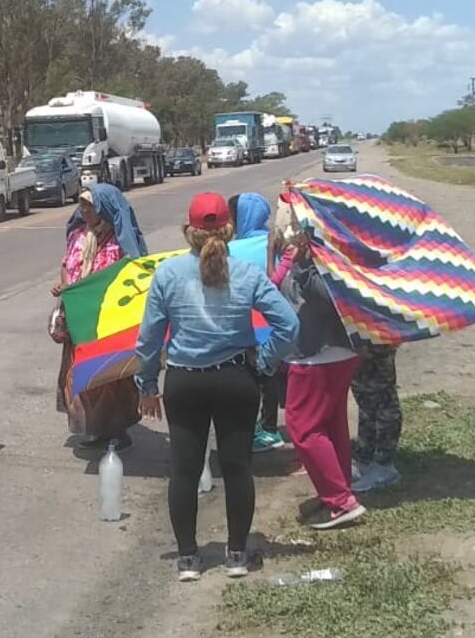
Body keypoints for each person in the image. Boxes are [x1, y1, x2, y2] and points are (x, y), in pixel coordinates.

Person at [133, 193, 299, 582]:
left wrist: (145, 383)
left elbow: (148, 339)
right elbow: (289, 325)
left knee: (185, 470)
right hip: (235, 380)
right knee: (238, 468)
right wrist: (264, 360)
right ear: (230, 230)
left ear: (187, 232)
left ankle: (188, 559)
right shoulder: (248, 273)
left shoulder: (168, 274)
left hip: (184, 382)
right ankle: (237, 555)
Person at [278, 233, 367, 530]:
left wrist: (304, 264)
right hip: (333, 352)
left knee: (303, 427)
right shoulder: (333, 255)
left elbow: (328, 297)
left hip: (320, 355)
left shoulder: (325, 262)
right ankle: (337, 492)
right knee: (331, 425)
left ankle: (341, 500)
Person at [53, 184, 148, 452]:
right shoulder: (77, 236)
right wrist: (66, 289)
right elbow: (65, 266)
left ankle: (118, 430)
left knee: (111, 375)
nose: (83, 210)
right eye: (81, 205)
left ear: (103, 208)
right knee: (86, 373)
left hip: (108, 319)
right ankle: (96, 428)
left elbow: (124, 278)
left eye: (89, 205)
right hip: (80, 317)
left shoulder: (119, 241)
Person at [227, 193, 286, 454]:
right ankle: (270, 426)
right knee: (269, 375)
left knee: (252, 377)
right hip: (275, 322)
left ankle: (260, 429)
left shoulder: (235, 249)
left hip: (246, 324)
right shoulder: (274, 242)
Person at [351, 344, 403, 492]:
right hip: (356, 332)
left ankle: (384, 465)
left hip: (377, 334)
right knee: (364, 399)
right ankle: (365, 456)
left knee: (384, 401)